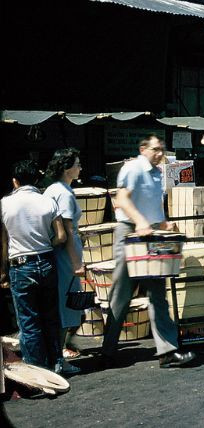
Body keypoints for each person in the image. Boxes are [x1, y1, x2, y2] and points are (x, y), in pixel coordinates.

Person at [100, 135, 195, 369]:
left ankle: (167, 351)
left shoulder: (156, 173)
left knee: (157, 292)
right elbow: (122, 199)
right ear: (143, 149)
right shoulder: (132, 168)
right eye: (155, 150)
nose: (160, 154)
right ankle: (108, 348)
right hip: (130, 233)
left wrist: (161, 224)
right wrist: (141, 222)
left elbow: (153, 205)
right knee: (122, 293)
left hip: (151, 234)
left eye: (162, 150)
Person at [1, 160, 67, 371]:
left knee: (29, 322)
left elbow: (4, 242)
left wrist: (3, 272)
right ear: (36, 180)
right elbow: (61, 236)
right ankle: (56, 363)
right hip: (46, 261)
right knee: (50, 316)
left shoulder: (4, 204)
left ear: (15, 182)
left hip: (20, 266)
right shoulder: (47, 201)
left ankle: (36, 370)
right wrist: (46, 244)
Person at [43, 147, 85, 374]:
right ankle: (59, 359)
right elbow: (68, 231)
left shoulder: (52, 189)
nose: (80, 168)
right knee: (67, 308)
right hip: (65, 257)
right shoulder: (65, 193)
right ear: (68, 168)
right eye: (78, 164)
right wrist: (77, 263)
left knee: (61, 306)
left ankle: (57, 354)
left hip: (56, 254)